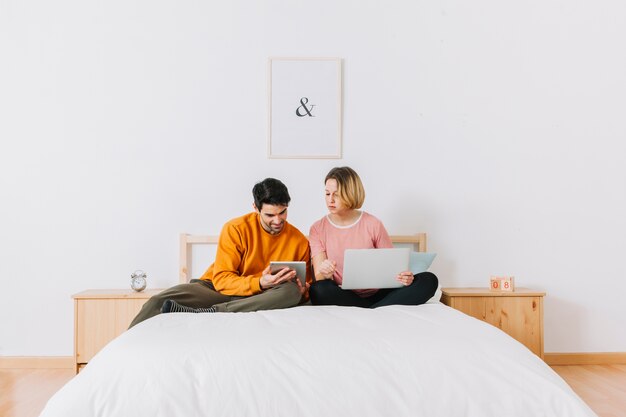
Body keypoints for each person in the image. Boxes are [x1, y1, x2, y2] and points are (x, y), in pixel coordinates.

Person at [129, 178, 311, 328]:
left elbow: (305, 287)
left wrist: (303, 290)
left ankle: (213, 312)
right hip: (217, 290)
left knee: (291, 292)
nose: (278, 220)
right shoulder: (236, 228)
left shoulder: (299, 241)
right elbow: (223, 280)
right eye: (270, 215)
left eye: (283, 212)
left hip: (261, 297)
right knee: (157, 301)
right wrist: (259, 282)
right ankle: (125, 348)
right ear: (255, 209)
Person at [308, 166, 438, 308]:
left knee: (429, 280)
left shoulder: (373, 224)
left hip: (379, 293)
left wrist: (405, 277)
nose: (330, 200)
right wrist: (326, 273)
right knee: (317, 290)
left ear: (350, 193)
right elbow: (320, 277)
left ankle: (370, 309)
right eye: (327, 194)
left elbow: (393, 266)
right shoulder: (317, 228)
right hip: (343, 294)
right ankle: (378, 309)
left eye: (337, 194)